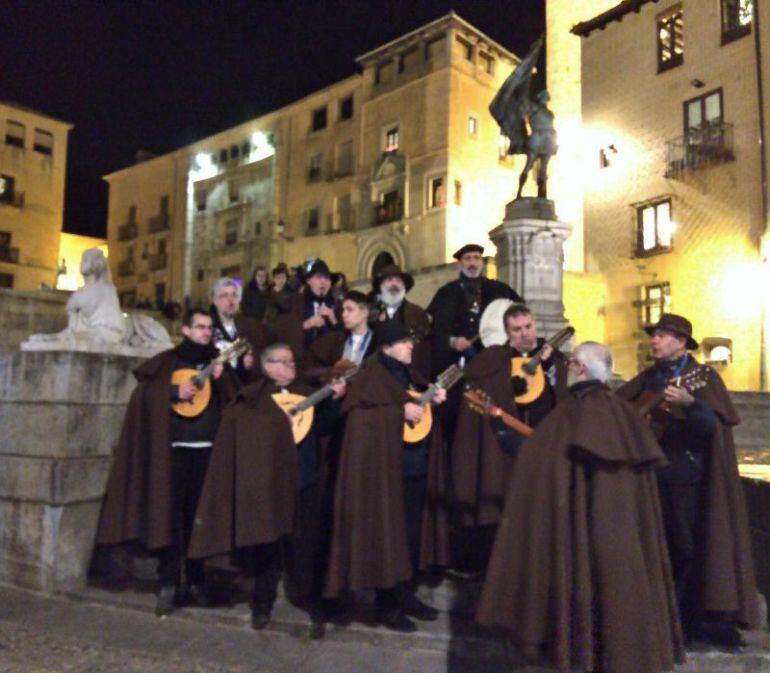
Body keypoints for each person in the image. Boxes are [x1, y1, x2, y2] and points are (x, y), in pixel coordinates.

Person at [478, 342, 685, 673]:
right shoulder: (621, 414)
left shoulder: (575, 413)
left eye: (571, 362)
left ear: (581, 368)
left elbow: (543, 459)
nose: (567, 368)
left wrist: (503, 435)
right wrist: (504, 432)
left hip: (583, 533)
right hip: (617, 537)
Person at [617, 314, 758, 646]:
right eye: (654, 335)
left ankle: (686, 622)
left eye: (662, 336)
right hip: (651, 477)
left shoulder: (702, 378)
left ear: (681, 343)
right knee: (656, 548)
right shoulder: (651, 377)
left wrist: (692, 405)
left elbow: (713, 428)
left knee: (686, 549)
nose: (654, 341)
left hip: (686, 479)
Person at [188, 343, 346, 639]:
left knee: (305, 544)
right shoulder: (254, 397)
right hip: (269, 482)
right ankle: (263, 600)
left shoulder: (307, 392)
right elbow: (245, 433)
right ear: (266, 365)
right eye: (282, 361)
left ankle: (309, 599)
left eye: (291, 360)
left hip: (305, 478)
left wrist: (334, 401)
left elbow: (322, 427)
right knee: (266, 543)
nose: (290, 366)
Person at [95, 309, 239, 616]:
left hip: (208, 454)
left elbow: (234, 403)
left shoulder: (218, 364)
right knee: (169, 517)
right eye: (200, 327)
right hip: (173, 454)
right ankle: (169, 582)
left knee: (201, 520)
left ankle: (199, 580)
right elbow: (145, 395)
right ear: (185, 330)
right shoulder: (169, 362)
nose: (205, 332)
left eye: (209, 328)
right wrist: (174, 392)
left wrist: (223, 378)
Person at [325, 321, 449, 633]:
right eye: (404, 341)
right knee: (388, 535)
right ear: (386, 346)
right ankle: (387, 605)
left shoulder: (408, 372)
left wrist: (431, 399)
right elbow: (360, 420)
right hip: (387, 472)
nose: (411, 346)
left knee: (410, 537)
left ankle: (406, 595)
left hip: (415, 466)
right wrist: (399, 412)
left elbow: (414, 403)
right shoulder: (369, 376)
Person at [450, 303, 568, 570]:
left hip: (544, 445)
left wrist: (548, 369)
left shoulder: (553, 357)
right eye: (517, 330)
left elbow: (563, 395)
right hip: (506, 449)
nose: (525, 334)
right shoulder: (495, 360)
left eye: (529, 327)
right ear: (507, 333)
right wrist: (506, 387)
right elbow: (477, 392)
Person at [427, 244, 521, 445]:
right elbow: (435, 332)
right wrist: (452, 341)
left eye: (477, 258)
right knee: (455, 415)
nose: (473, 263)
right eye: (468, 258)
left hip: (490, 368)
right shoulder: (446, 293)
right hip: (456, 368)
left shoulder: (499, 290)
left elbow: (519, 315)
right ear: (459, 263)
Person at [274, 259, 341, 372]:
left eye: (327, 278)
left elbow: (346, 337)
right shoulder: (294, 302)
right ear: (309, 281)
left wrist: (333, 320)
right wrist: (306, 325)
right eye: (319, 277)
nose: (323, 282)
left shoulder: (338, 306)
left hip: (329, 367)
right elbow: (281, 329)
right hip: (300, 365)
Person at [371, 263, 432, 379]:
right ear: (381, 286)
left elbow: (425, 352)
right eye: (389, 280)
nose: (394, 284)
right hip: (379, 377)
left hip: (410, 377)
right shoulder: (372, 315)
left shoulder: (417, 313)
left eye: (398, 281)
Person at [209, 277, 273, 383]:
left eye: (234, 295)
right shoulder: (207, 327)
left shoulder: (252, 326)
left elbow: (264, 355)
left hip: (246, 388)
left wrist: (252, 363)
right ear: (215, 300)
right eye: (225, 295)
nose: (231, 300)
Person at [309, 290, 376, 370]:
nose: (344, 314)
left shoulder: (378, 342)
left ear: (364, 313)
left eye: (350, 310)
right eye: (343, 310)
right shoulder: (337, 341)